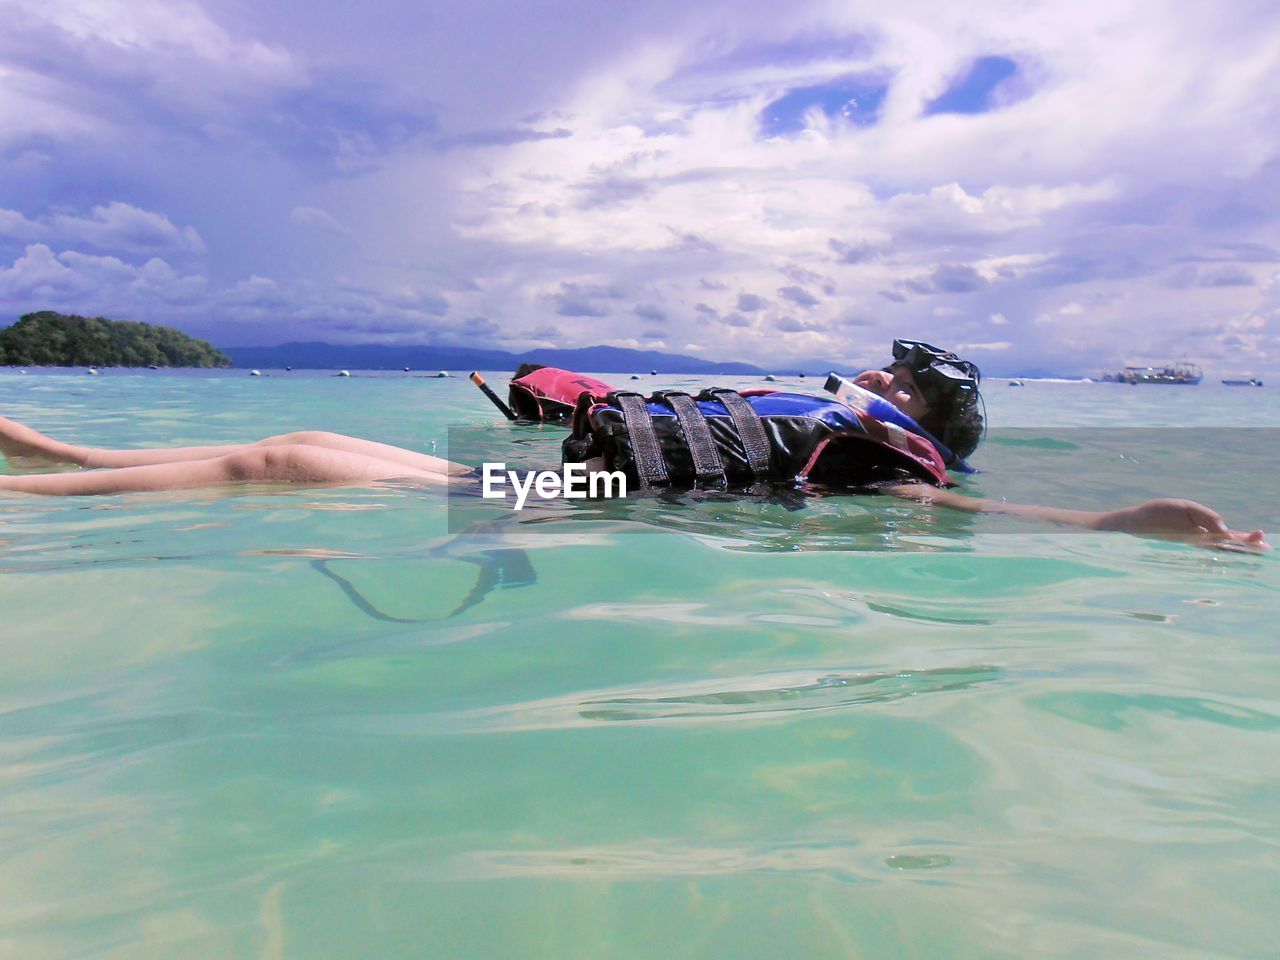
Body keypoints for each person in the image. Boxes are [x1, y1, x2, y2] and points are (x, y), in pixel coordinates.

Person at [0, 341, 1267, 552]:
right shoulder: (844, 425)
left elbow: (958, 524)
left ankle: (35, 487)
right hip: (576, 488)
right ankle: (54, 454)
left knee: (286, 463)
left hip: (581, 516)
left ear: (919, 421)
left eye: (899, 380)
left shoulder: (886, 463)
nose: (875, 374)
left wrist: (1115, 526)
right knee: (300, 435)